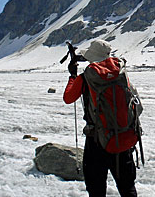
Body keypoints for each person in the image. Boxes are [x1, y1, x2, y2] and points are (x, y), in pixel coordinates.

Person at [61, 41, 143, 196]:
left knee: (96, 188)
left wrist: (73, 75)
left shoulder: (87, 77)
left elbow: (68, 97)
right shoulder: (120, 72)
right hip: (123, 134)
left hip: (97, 140)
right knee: (127, 188)